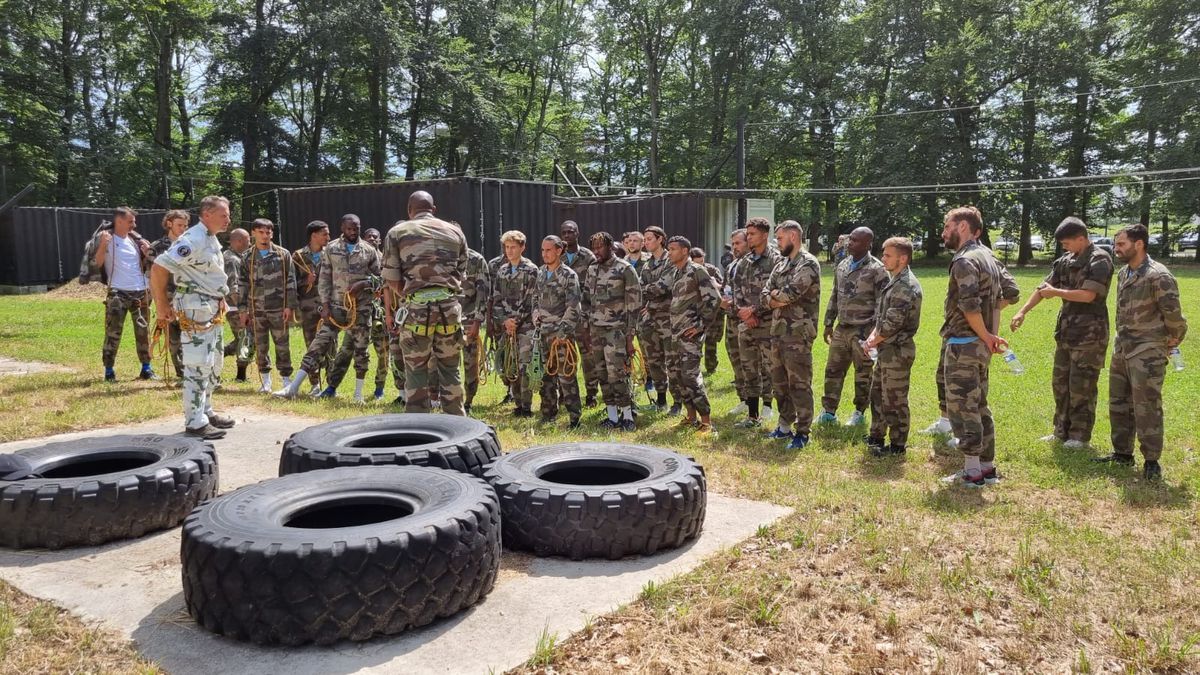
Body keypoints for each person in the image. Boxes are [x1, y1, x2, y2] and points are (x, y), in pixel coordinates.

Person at [1009, 217, 1114, 449]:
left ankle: (1079, 436)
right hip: (1067, 333)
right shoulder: (1066, 260)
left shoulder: (1100, 260)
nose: (1064, 248)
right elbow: (1043, 288)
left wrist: (1057, 292)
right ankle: (1060, 430)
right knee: (1060, 384)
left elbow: (1088, 295)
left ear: (1081, 238)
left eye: (1067, 243)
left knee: (1082, 386)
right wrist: (1023, 311)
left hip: (1090, 335)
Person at [1094, 224, 1188, 481]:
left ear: (1139, 244)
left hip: (1147, 352)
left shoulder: (1159, 276)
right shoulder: (1124, 273)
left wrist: (1171, 341)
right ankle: (1122, 452)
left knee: (1147, 406)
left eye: (1122, 244)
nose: (1116, 248)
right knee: (1119, 403)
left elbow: (1174, 317)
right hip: (1123, 348)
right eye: (1116, 244)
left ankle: (1152, 460)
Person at [938, 207, 1016, 488]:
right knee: (980, 404)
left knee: (962, 407)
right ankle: (987, 467)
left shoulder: (965, 260)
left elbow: (969, 305)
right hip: (980, 345)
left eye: (947, 226)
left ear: (962, 227)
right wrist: (991, 335)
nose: (943, 232)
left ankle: (972, 472)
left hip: (965, 345)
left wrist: (985, 335)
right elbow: (1005, 296)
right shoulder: (989, 257)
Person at [148, 196, 236, 439]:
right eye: (223, 214)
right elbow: (159, 267)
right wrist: (162, 303)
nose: (228, 219)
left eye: (228, 214)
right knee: (198, 364)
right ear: (206, 214)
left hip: (212, 308)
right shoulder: (193, 239)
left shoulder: (211, 238)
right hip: (195, 308)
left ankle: (206, 411)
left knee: (214, 363)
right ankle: (195, 421)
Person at [276, 215, 381, 403]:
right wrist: (324, 305)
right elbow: (324, 278)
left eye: (356, 228)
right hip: (335, 308)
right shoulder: (332, 248)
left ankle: (358, 394)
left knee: (361, 350)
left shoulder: (369, 250)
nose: (352, 232)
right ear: (342, 227)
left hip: (361, 308)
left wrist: (364, 283)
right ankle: (293, 387)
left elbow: (380, 279)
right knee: (318, 344)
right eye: (349, 228)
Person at [922, 240, 1019, 443]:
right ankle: (946, 421)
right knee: (945, 378)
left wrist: (982, 323)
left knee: (968, 392)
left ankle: (968, 443)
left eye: (949, 227)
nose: (943, 233)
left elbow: (1011, 291)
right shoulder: (976, 256)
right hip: (958, 331)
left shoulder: (982, 257)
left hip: (969, 335)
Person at [381, 191, 468, 414]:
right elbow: (461, 274)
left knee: (416, 370)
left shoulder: (397, 233)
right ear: (433, 209)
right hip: (449, 310)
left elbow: (391, 278)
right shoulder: (455, 232)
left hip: (417, 312)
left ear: (409, 210)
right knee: (450, 369)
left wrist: (413, 295)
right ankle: (457, 424)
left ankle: (418, 427)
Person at [819, 227, 887, 427]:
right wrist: (828, 322)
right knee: (833, 370)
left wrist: (873, 334)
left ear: (868, 244)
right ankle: (828, 411)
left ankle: (859, 412)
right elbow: (835, 294)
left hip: (864, 330)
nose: (850, 243)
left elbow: (881, 303)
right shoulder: (843, 264)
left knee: (863, 373)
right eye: (850, 239)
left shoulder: (877, 269)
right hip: (842, 328)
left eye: (856, 241)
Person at [762, 221, 822, 449]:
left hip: (798, 334)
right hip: (778, 332)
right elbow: (765, 294)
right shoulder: (781, 264)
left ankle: (803, 432)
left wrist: (777, 296)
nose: (777, 243)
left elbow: (791, 293)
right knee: (779, 384)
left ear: (793, 236)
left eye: (779, 238)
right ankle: (784, 425)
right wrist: (775, 296)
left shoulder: (808, 263)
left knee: (799, 384)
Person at [863, 237, 923, 457]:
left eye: (888, 255)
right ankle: (876, 436)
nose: (883, 258)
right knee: (878, 394)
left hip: (898, 351)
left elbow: (891, 324)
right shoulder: (894, 280)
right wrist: (873, 337)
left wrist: (872, 341)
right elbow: (882, 319)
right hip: (886, 349)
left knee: (895, 399)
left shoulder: (905, 285)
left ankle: (897, 444)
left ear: (903, 258)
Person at [581, 232, 641, 431]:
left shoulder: (625, 269)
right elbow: (587, 301)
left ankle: (628, 416)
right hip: (596, 330)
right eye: (594, 248)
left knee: (618, 374)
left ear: (611, 247)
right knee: (602, 374)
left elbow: (634, 305)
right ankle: (612, 416)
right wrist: (586, 330)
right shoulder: (592, 270)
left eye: (600, 247)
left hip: (617, 331)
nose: (596, 251)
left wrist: (630, 337)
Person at [661, 236, 721, 433]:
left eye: (673, 249)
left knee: (690, 376)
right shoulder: (676, 272)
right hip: (675, 333)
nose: (669, 252)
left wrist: (701, 325)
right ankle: (690, 416)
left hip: (690, 335)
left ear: (685, 251)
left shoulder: (697, 271)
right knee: (677, 376)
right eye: (668, 249)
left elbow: (714, 298)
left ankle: (706, 421)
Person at [93, 206, 155, 381]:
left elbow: (146, 264)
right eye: (130, 221)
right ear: (119, 221)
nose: (134, 225)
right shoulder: (106, 238)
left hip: (140, 292)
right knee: (113, 333)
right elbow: (96, 263)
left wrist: (145, 253)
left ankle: (146, 369)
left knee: (143, 333)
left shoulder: (135, 240)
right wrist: (103, 245)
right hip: (118, 293)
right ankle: (109, 371)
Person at [237, 218, 296, 393]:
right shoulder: (247, 256)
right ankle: (266, 381)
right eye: (261, 232)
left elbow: (290, 281)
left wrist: (289, 306)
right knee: (261, 345)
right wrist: (242, 310)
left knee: (282, 345)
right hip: (256, 309)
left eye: (268, 232)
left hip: (278, 308)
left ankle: (286, 379)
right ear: (254, 233)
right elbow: (242, 284)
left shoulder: (283, 254)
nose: (265, 236)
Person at [732, 217, 781, 428]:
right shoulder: (745, 261)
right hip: (747, 325)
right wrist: (744, 313)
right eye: (748, 234)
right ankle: (752, 416)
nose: (748, 238)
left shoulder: (777, 260)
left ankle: (773, 409)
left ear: (764, 235)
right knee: (749, 370)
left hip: (769, 324)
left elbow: (777, 293)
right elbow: (737, 290)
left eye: (752, 234)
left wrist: (755, 312)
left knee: (772, 369)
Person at [534, 235, 583, 427]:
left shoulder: (568, 275)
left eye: (549, 250)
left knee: (566, 376)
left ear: (559, 251)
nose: (545, 254)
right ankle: (548, 413)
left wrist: (562, 332)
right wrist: (535, 312)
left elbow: (574, 306)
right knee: (545, 376)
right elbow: (534, 298)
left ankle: (574, 416)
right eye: (543, 250)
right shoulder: (540, 273)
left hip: (561, 334)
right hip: (542, 332)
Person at [492, 231, 539, 417]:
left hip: (525, 326)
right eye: (507, 247)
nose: (509, 251)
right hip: (507, 326)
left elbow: (531, 300)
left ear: (522, 247)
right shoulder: (502, 271)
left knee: (524, 366)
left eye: (513, 247)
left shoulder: (531, 270)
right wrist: (504, 320)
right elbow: (495, 299)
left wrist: (515, 322)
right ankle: (517, 403)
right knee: (509, 365)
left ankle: (526, 407)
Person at [146, 210, 192, 378]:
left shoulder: (190, 245)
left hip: (188, 297)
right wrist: (159, 302)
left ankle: (193, 371)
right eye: (180, 225)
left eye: (186, 226)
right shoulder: (157, 247)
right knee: (174, 338)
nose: (183, 228)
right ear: (169, 224)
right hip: (168, 298)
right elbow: (151, 275)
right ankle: (182, 373)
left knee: (192, 335)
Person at [291, 221, 332, 397]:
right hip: (308, 308)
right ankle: (314, 384)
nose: (328, 237)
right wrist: (305, 282)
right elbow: (291, 284)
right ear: (314, 235)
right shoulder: (298, 257)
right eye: (325, 234)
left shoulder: (330, 254)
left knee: (331, 344)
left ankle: (331, 385)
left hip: (328, 307)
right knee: (311, 345)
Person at [560, 220, 599, 406]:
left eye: (570, 232)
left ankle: (591, 393)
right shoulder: (556, 254)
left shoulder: (588, 257)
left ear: (578, 233)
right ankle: (564, 393)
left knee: (588, 357)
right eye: (564, 232)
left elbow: (593, 287)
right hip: (562, 316)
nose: (567, 235)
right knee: (564, 355)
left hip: (583, 316)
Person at [638, 226, 674, 412]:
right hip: (651, 317)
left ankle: (679, 401)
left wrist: (646, 290)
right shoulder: (647, 264)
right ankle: (661, 400)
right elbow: (642, 288)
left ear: (660, 239)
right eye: (644, 238)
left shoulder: (672, 259)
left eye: (649, 238)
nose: (646, 242)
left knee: (673, 360)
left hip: (669, 318)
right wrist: (647, 292)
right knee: (654, 360)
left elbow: (664, 286)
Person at [723, 229, 749, 414]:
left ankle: (765, 403)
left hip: (748, 321)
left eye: (738, 243)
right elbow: (727, 289)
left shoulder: (754, 265)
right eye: (733, 244)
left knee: (753, 364)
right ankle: (744, 399)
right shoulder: (732, 265)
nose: (734, 247)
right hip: (731, 320)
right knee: (736, 360)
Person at [689, 247, 725, 375]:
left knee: (711, 339)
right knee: (694, 340)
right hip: (696, 310)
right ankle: (694, 367)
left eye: (702, 261)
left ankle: (711, 367)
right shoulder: (687, 270)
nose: (700, 265)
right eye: (697, 262)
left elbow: (722, 287)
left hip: (712, 309)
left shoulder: (711, 270)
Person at [222, 228, 252, 377]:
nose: (250, 243)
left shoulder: (238, 257)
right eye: (248, 240)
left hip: (238, 306)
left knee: (244, 338)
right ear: (239, 241)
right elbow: (233, 287)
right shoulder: (231, 260)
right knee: (245, 338)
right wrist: (242, 310)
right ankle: (240, 374)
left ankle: (219, 354)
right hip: (235, 307)